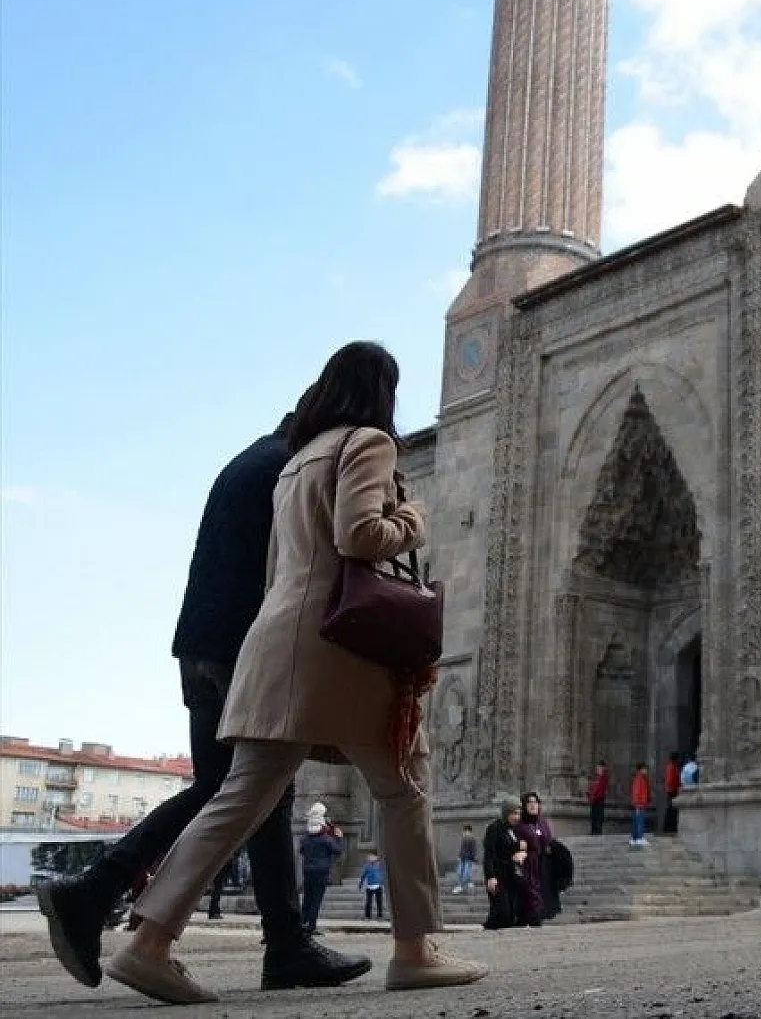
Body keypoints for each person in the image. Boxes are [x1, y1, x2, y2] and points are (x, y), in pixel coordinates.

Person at [100, 341, 488, 1004]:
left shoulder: (297, 459)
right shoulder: (368, 443)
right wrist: (414, 520)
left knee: (238, 799)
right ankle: (415, 950)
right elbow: (359, 536)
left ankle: (149, 942)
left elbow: (290, 563)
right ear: (380, 392)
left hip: (276, 644)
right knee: (403, 790)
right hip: (339, 655)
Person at [38, 411, 369, 994]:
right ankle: (94, 893)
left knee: (232, 789)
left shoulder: (249, 460)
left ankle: (284, 944)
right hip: (241, 644)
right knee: (253, 787)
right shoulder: (298, 465)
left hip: (199, 645)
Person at [481, 798, 527, 931]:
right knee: (503, 914)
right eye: (513, 813)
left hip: (512, 876)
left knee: (511, 915)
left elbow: (514, 850)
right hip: (498, 875)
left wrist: (522, 853)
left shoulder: (515, 830)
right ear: (506, 813)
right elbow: (490, 854)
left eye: (518, 813)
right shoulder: (494, 828)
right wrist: (490, 876)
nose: (516, 817)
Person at [297, 803, 344, 934]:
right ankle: (311, 926)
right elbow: (337, 851)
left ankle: (302, 924)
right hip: (321, 871)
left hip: (307, 870)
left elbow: (301, 851)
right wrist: (339, 838)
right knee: (316, 900)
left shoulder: (305, 839)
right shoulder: (326, 839)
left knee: (307, 898)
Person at [517, 792, 559, 923]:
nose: (533, 805)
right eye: (529, 802)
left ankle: (539, 915)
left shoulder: (542, 823)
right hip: (528, 864)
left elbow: (548, 840)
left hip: (542, 864)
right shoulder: (520, 825)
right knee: (530, 893)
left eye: (535, 802)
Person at [629, 762, 652, 847]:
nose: (646, 771)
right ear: (642, 769)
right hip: (640, 804)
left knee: (636, 821)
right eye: (645, 769)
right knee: (640, 821)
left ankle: (634, 838)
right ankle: (639, 838)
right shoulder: (640, 778)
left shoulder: (639, 778)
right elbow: (636, 792)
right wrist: (638, 804)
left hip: (639, 803)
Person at [358, 851, 385, 922]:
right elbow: (363, 876)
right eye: (369, 857)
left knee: (379, 902)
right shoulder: (367, 866)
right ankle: (367, 916)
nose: (370, 858)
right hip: (369, 886)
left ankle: (380, 916)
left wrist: (382, 882)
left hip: (378, 886)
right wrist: (360, 884)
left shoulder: (379, 865)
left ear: (376, 857)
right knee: (368, 902)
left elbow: (383, 874)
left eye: (372, 856)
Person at [661, 752, 682, 835]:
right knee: (671, 809)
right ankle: (669, 828)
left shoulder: (670, 767)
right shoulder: (672, 767)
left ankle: (669, 827)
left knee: (671, 809)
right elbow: (670, 780)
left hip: (671, 790)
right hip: (672, 791)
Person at [586, 762, 610, 836]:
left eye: (599, 768)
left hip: (599, 798)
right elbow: (592, 787)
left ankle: (598, 830)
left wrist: (593, 795)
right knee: (593, 815)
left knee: (598, 815)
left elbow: (600, 789)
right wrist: (589, 794)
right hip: (594, 799)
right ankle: (593, 830)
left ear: (603, 768)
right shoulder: (596, 777)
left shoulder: (604, 777)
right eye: (597, 768)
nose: (598, 769)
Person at [452, 824, 478, 894]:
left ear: (469, 832)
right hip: (463, 858)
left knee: (466, 872)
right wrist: (459, 857)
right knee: (460, 872)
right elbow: (462, 850)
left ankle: (464, 885)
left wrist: (473, 860)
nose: (464, 833)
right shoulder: (464, 839)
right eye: (464, 832)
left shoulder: (472, 839)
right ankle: (462, 885)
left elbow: (474, 850)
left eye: (465, 832)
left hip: (468, 859)